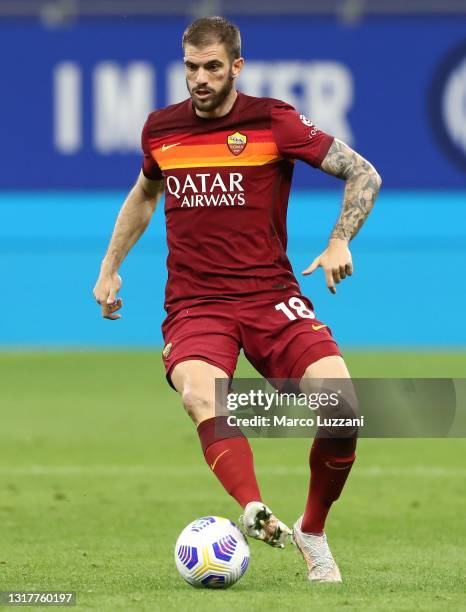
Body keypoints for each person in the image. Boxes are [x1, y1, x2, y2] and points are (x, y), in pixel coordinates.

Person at [93, 16, 381, 583]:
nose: (200, 79)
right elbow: (145, 194)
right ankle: (252, 508)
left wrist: (340, 237)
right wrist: (110, 267)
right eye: (191, 68)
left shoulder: (273, 121)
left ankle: (313, 530)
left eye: (212, 68)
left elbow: (362, 173)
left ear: (236, 68)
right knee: (200, 395)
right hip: (197, 306)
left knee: (343, 409)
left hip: (270, 295)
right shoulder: (161, 130)